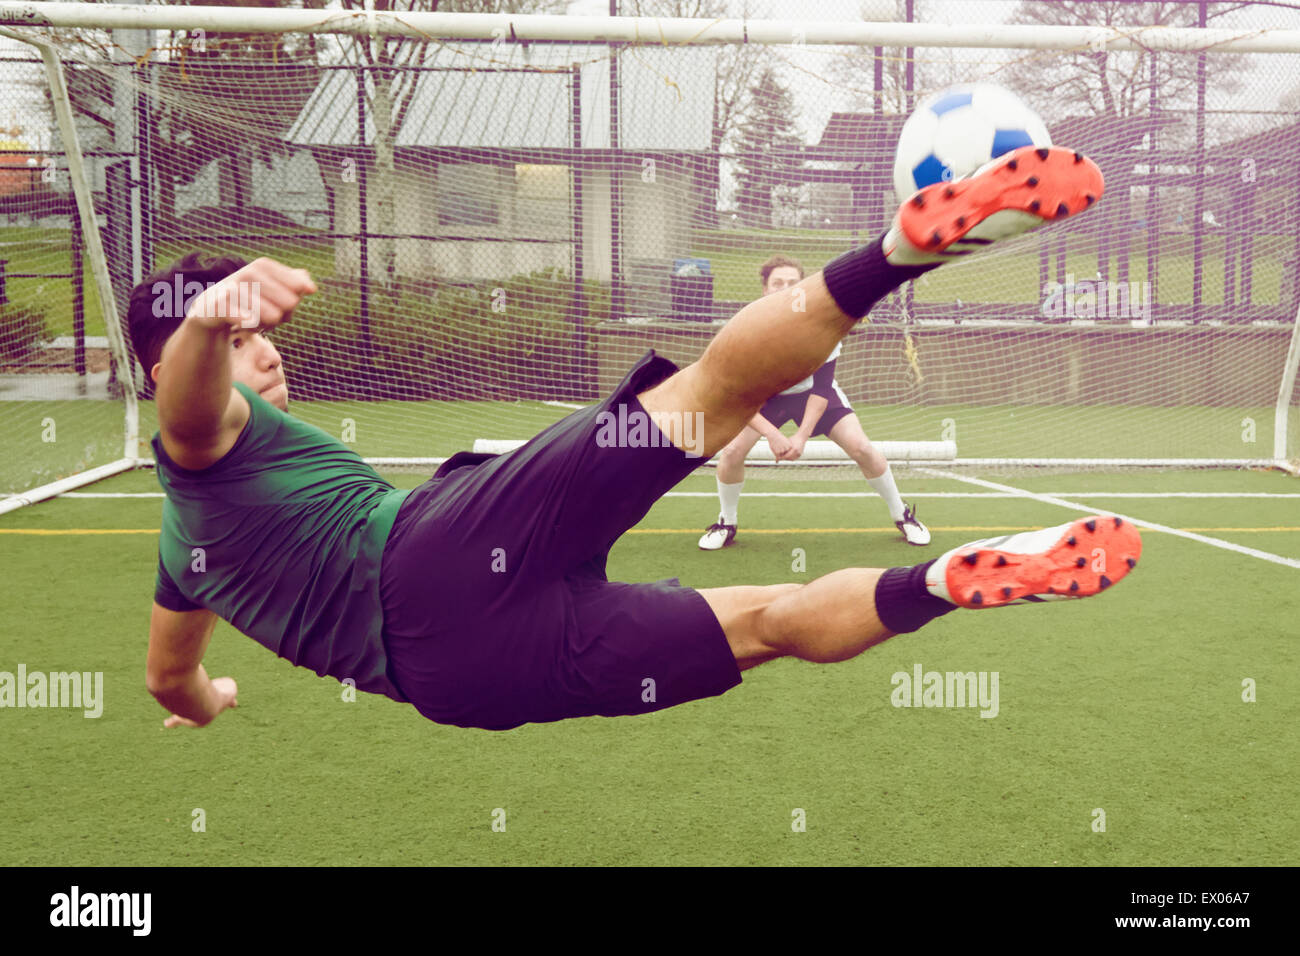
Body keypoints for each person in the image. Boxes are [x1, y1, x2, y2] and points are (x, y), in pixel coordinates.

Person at [135, 143, 1133, 732]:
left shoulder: (186, 556)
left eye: (259, 337)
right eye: (241, 342)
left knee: (772, 622)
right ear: (172, 363)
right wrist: (202, 323)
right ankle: (895, 254)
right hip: (432, 551)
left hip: (457, 679)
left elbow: (166, 676)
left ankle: (940, 583)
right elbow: (186, 408)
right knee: (711, 392)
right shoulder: (205, 438)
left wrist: (208, 696)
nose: (262, 356)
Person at [698, 253, 929, 551]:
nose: (784, 288)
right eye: (777, 282)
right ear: (765, 289)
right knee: (731, 451)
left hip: (812, 396)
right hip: (763, 399)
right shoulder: (746, 331)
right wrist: (773, 435)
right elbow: (739, 397)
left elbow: (821, 389)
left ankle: (903, 515)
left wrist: (801, 436)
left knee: (861, 447)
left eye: (792, 283)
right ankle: (726, 523)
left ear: (802, 289)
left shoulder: (822, 326)